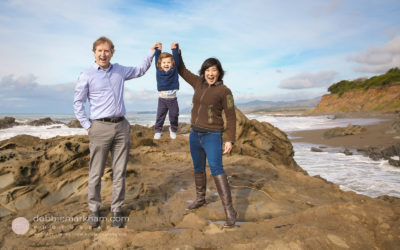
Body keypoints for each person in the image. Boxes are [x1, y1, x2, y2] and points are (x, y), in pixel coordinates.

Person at [73, 36, 158, 228]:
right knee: (96, 172)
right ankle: (94, 209)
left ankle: (117, 209)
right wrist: (87, 125)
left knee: (119, 172)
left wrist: (151, 52)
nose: (103, 54)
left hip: (121, 127)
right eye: (99, 51)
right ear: (94, 53)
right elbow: (78, 103)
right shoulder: (86, 75)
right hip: (99, 128)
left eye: (107, 51)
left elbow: (140, 70)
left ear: (112, 52)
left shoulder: (119, 70)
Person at [176, 43, 237, 227]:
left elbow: (231, 116)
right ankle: (200, 198)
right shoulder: (198, 83)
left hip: (212, 135)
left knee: (217, 169)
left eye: (214, 70)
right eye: (208, 70)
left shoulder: (225, 91)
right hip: (194, 135)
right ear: (203, 72)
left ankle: (230, 211)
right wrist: (177, 53)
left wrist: (230, 140)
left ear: (219, 72)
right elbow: (182, 70)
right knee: (198, 167)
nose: (211, 73)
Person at [153, 42, 180, 140]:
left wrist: (174, 49)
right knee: (160, 116)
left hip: (173, 99)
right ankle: (158, 131)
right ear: (160, 64)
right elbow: (157, 58)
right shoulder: (159, 70)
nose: (166, 64)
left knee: (174, 115)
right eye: (164, 63)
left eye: (168, 62)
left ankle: (173, 129)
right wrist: (158, 50)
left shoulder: (174, 70)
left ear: (172, 63)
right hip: (162, 99)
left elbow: (176, 60)